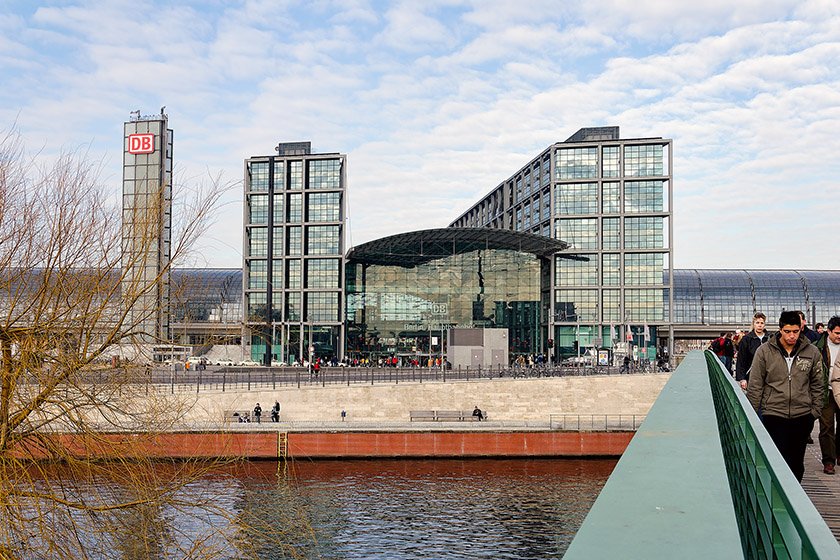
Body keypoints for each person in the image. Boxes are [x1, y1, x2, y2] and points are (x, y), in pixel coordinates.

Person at [748, 311, 823, 482]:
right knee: (779, 460)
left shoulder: (812, 352)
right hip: (773, 414)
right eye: (788, 331)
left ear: (800, 329)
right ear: (780, 329)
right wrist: (753, 414)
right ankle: (778, 500)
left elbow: (818, 384)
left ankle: (794, 500)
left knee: (797, 462)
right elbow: (756, 385)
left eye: (795, 331)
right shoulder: (764, 352)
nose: (792, 336)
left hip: (802, 415)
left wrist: (815, 412)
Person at [814, 316, 840, 474]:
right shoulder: (818, 347)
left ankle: (839, 452)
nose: (839, 336)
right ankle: (828, 460)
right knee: (826, 426)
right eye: (837, 333)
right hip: (825, 391)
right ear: (829, 331)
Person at [736, 312, 770, 390]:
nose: (759, 325)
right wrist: (742, 378)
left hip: (768, 376)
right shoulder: (746, 339)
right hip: (751, 375)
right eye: (757, 322)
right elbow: (741, 359)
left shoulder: (769, 339)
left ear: (764, 324)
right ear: (753, 324)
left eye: (762, 323)